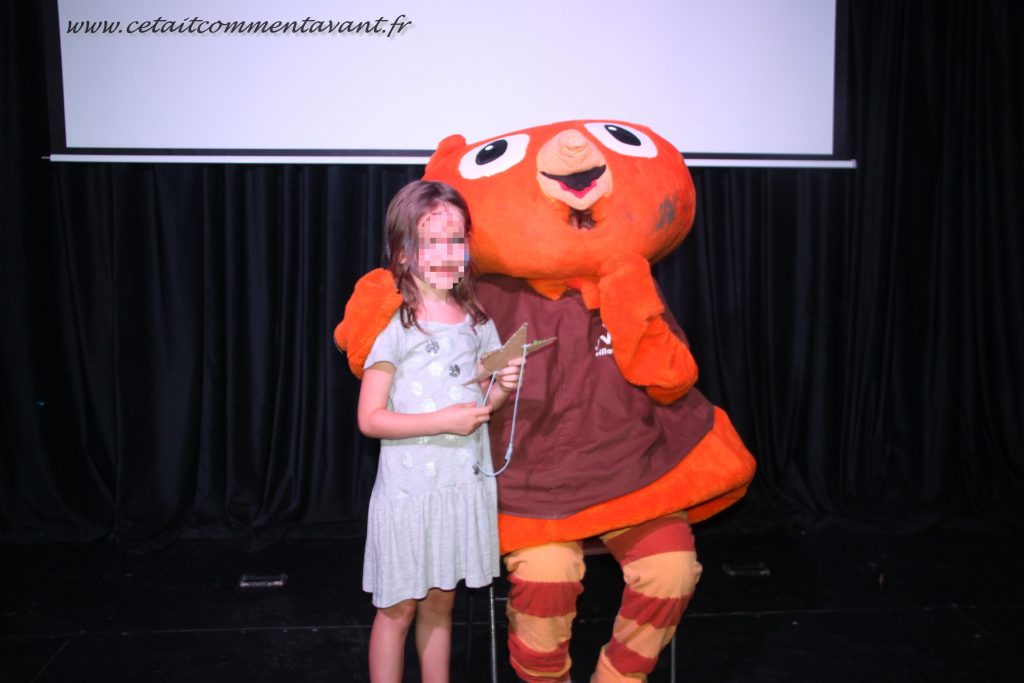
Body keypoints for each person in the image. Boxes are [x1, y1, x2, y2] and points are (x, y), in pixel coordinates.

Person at [354, 180, 521, 683]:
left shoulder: (475, 319)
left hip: (459, 491)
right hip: (410, 495)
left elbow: (480, 403)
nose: (448, 253)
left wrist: (502, 389)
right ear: (404, 252)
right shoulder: (393, 323)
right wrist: (440, 421)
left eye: (457, 239)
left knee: (439, 607)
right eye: (432, 241)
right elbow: (370, 418)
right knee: (397, 611)